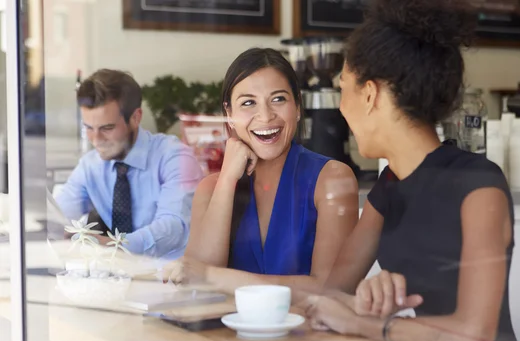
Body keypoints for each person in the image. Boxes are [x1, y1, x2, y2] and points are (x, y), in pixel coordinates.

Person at [304, 0, 520, 341]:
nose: (341, 107)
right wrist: (369, 302)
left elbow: (474, 338)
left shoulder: (479, 185)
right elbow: (332, 296)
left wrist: (367, 325)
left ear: (370, 94)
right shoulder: (390, 184)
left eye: (344, 89)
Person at [169, 48, 358, 295]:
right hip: (223, 331)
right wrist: (227, 180)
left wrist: (214, 277)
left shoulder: (331, 179)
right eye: (248, 103)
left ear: (298, 106)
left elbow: (331, 290)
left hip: (308, 331)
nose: (266, 116)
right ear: (229, 114)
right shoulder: (212, 188)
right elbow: (194, 283)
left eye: (278, 99)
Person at [55, 69, 202, 260]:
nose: (96, 139)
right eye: (88, 128)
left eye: (107, 128)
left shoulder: (175, 157)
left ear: (135, 118)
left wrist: (113, 246)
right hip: (116, 280)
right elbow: (59, 218)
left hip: (171, 279)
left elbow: (173, 228)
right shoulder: (90, 166)